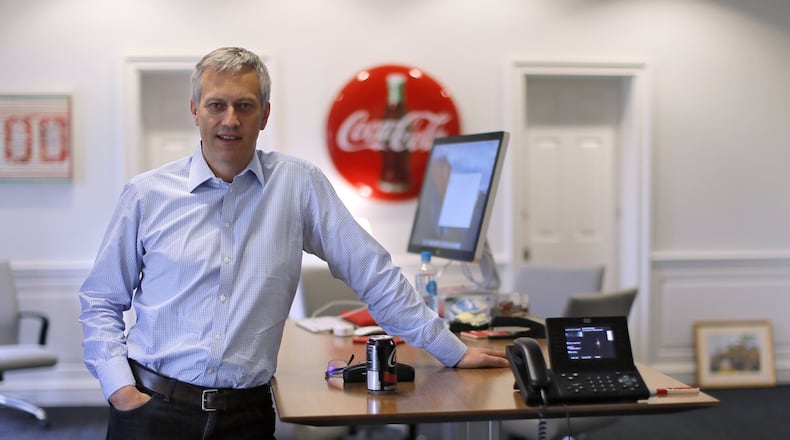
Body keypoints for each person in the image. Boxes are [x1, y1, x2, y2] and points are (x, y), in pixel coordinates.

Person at [79, 47, 508, 440]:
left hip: (245, 417)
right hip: (153, 410)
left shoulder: (298, 185)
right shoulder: (146, 194)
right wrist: (118, 386)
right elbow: (100, 299)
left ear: (264, 114)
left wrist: (451, 350)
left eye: (244, 106)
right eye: (216, 105)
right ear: (195, 110)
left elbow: (373, 274)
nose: (230, 119)